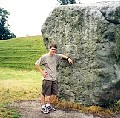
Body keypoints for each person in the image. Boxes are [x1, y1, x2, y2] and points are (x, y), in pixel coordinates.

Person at [35, 43, 73, 114]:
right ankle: (43, 107)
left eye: (55, 50)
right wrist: (42, 72)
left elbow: (61, 55)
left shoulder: (55, 56)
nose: (54, 51)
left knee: (54, 92)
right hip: (46, 78)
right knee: (44, 93)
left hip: (53, 78)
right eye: (52, 49)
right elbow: (36, 64)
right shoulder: (44, 57)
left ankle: (48, 105)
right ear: (49, 49)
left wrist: (68, 58)